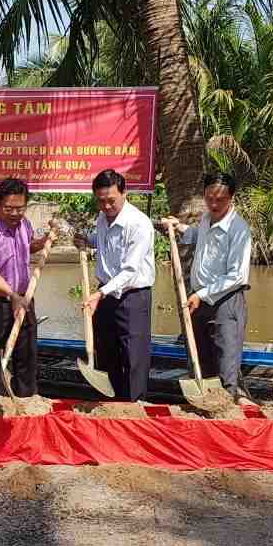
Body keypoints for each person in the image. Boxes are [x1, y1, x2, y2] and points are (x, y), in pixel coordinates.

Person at [159, 173, 252, 399]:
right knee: (202, 360)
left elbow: (237, 276)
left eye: (220, 199)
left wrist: (202, 294)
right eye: (209, 198)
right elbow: (198, 237)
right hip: (199, 301)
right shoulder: (206, 219)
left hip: (226, 303)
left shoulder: (238, 229)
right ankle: (206, 408)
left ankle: (228, 406)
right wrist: (179, 227)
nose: (214, 204)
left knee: (226, 364)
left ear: (231, 198)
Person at [73, 169, 156, 401]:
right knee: (107, 350)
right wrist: (87, 240)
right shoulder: (102, 218)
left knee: (133, 355)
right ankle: (112, 401)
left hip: (133, 297)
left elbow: (130, 270)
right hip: (106, 294)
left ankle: (135, 403)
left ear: (123, 193)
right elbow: (103, 241)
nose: (107, 206)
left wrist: (99, 294)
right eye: (101, 201)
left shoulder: (139, 224)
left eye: (111, 200)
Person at [0, 178, 53, 401]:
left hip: (23, 298)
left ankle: (27, 401)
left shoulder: (24, 224)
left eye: (20, 208)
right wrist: (12, 296)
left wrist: (44, 241)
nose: (15, 213)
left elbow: (28, 246)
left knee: (26, 355)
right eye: (9, 209)